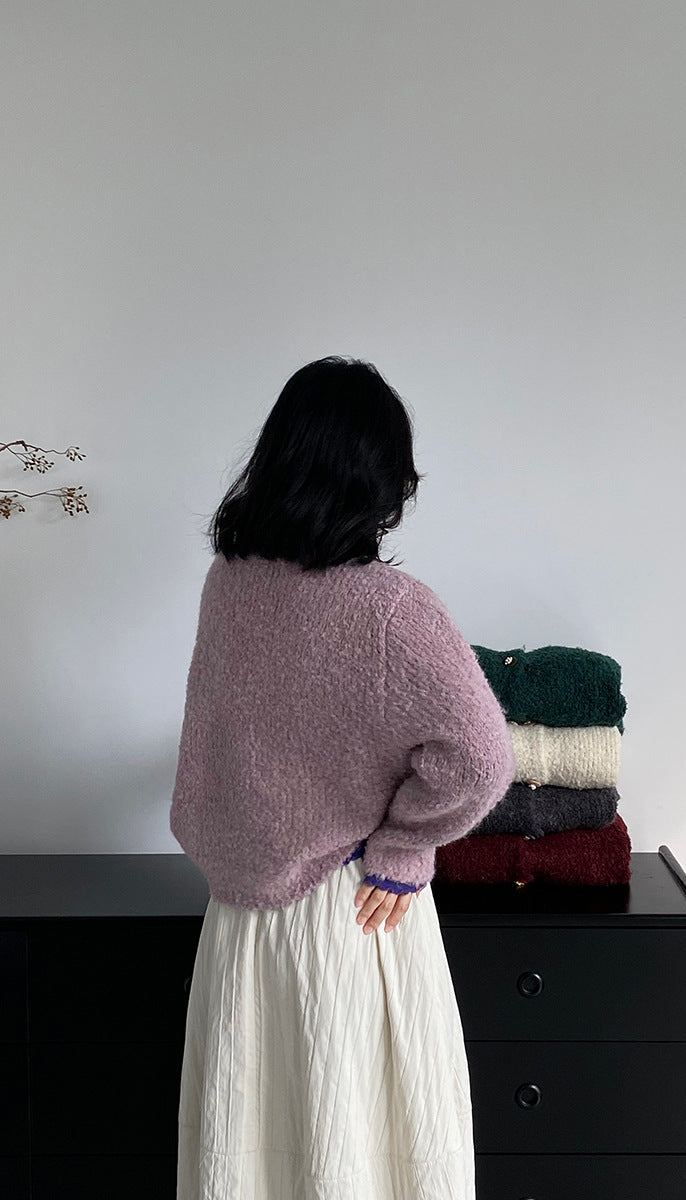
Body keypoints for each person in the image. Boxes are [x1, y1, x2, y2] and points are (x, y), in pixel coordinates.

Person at [170, 356, 516, 1200]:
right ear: (378, 480)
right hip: (349, 918)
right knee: (354, 1152)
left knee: (251, 1153)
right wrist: (405, 845)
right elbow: (482, 756)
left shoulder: (227, 584)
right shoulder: (391, 608)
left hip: (239, 927)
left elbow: (216, 747)